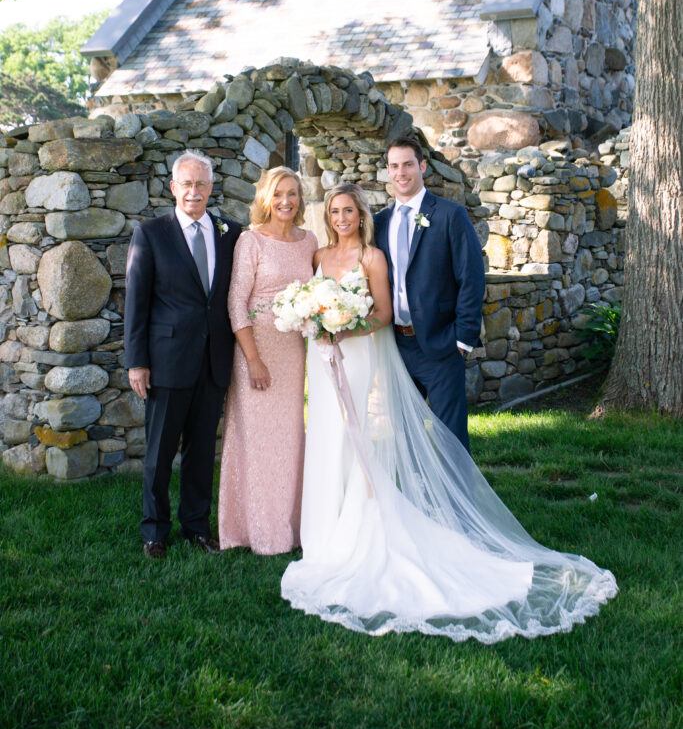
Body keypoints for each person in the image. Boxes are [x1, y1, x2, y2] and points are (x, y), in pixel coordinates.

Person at [281, 182, 618, 643]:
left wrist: (342, 328)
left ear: (361, 215)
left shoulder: (373, 256)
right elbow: (315, 300)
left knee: (355, 436)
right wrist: (315, 321)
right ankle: (320, 532)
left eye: (349, 211)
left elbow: (379, 312)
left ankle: (384, 521)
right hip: (322, 363)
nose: (341, 218)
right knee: (324, 437)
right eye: (335, 211)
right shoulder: (318, 256)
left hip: (355, 355)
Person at [125, 149, 241, 559]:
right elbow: (136, 303)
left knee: (200, 452)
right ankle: (155, 531)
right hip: (167, 361)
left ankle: (196, 526)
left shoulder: (231, 233)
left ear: (211, 187)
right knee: (158, 454)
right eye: (187, 184)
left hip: (214, 361)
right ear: (173, 187)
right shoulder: (151, 233)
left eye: (202, 184)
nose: (194, 191)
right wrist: (136, 362)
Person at [218, 166, 318, 554]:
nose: (286, 201)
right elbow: (235, 303)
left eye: (292, 193)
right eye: (278, 194)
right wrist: (254, 359)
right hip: (254, 352)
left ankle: (290, 528)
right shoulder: (250, 241)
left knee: (290, 439)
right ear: (265, 199)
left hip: (293, 352)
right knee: (255, 441)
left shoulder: (309, 241)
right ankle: (253, 530)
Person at [373, 135, 485, 451]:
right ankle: (417, 499)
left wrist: (461, 340)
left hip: (442, 345)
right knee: (405, 440)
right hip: (396, 346)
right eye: (394, 166)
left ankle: (456, 500)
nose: (401, 172)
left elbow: (471, 279)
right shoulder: (380, 222)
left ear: (422, 165)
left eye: (408, 164)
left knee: (450, 439)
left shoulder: (451, 215)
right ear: (388, 171)